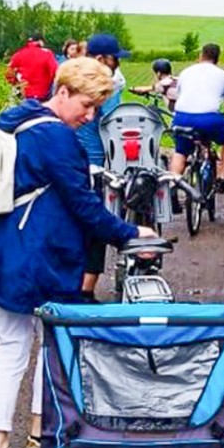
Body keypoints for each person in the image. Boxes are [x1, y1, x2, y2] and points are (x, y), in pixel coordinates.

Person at [0, 57, 156, 448]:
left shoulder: (16, 119)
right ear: (63, 92)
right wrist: (130, 234)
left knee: (10, 349)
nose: (88, 117)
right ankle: (38, 437)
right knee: (51, 346)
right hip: (39, 255)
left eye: (95, 110)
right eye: (85, 106)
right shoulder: (58, 139)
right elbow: (84, 206)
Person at [75, 33, 127, 297]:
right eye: (115, 58)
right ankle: (85, 290)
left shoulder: (70, 78)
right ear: (100, 59)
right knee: (95, 225)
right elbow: (113, 124)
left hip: (67, 161)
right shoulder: (103, 86)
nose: (117, 63)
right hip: (94, 164)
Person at [169, 42, 224, 188]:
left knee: (181, 151)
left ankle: (173, 183)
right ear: (217, 58)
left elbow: (179, 96)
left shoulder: (186, 72)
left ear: (200, 55)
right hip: (209, 119)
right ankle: (221, 177)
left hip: (182, 118)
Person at [6, 32, 58, 102]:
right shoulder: (47, 53)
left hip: (22, 95)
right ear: (40, 41)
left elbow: (9, 73)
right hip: (41, 95)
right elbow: (55, 71)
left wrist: (16, 84)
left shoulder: (18, 54)